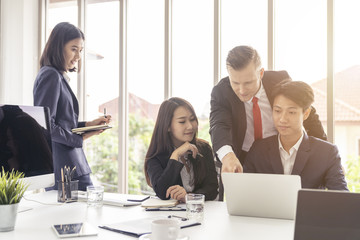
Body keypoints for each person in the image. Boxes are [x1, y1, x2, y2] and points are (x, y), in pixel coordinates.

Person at [209, 45, 326, 173]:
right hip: (242, 158)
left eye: (248, 83)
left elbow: (306, 112)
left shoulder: (279, 80)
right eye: (235, 83)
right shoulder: (222, 92)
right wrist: (227, 156)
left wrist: (326, 155)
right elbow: (219, 125)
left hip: (280, 154)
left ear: (261, 73)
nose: (242, 91)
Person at [33, 22, 111, 190]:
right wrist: (80, 138)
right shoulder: (50, 76)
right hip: (65, 169)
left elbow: (62, 123)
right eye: (73, 49)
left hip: (72, 166)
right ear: (58, 48)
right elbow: (45, 126)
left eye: (80, 50)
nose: (78, 56)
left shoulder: (56, 76)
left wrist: (88, 126)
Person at [243, 81, 348, 190]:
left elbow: (341, 196)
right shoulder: (258, 149)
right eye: (277, 111)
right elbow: (244, 191)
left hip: (309, 207)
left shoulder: (326, 152)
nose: (282, 119)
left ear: (306, 113)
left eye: (291, 112)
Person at [144, 97, 218, 201]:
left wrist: (188, 197)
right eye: (182, 122)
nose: (190, 126)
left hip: (201, 212)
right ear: (168, 126)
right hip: (170, 216)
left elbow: (212, 188)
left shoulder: (204, 148)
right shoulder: (156, 157)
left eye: (192, 119)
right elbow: (162, 192)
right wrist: (176, 154)